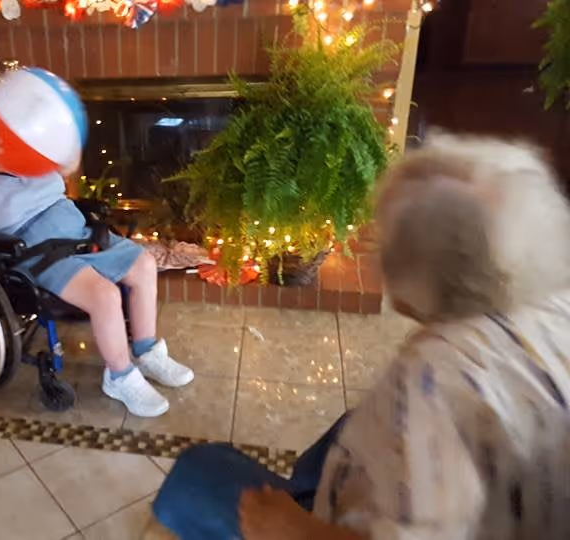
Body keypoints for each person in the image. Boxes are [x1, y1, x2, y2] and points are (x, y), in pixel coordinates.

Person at [152, 133, 570, 539]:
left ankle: (300, 500)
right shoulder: (557, 304)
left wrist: (289, 529)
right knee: (346, 426)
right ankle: (308, 487)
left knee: (199, 471)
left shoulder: (438, 377)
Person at [0, 92, 194, 418]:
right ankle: (120, 376)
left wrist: (62, 128)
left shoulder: (19, 151)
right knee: (105, 294)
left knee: (143, 264)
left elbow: (67, 166)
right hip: (35, 250)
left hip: (75, 229)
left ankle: (146, 351)